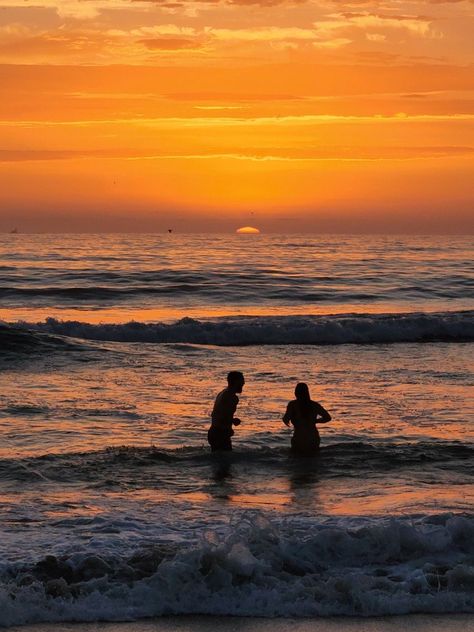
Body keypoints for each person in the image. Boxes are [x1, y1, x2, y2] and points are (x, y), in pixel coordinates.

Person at [283, 382, 331, 456]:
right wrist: (315, 421)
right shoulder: (314, 405)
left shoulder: (292, 405)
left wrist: (288, 420)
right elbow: (328, 418)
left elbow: (286, 419)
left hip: (299, 437)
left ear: (296, 393)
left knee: (296, 462)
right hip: (313, 437)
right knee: (313, 461)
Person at [208, 371, 245, 452]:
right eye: (242, 381)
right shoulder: (232, 397)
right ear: (236, 381)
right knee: (224, 462)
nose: (243, 383)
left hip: (213, 432)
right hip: (220, 434)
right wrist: (233, 421)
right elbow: (223, 417)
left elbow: (216, 414)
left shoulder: (222, 393)